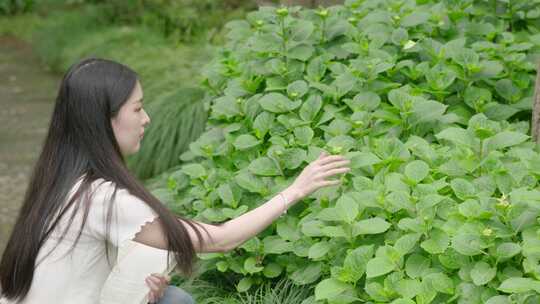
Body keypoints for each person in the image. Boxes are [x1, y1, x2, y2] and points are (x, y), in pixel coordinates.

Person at [0, 58, 351, 304]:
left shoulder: (59, 178)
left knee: (170, 296)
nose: (147, 118)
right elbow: (222, 239)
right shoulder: (102, 197)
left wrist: (137, 285)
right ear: (104, 120)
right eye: (137, 109)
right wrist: (297, 189)